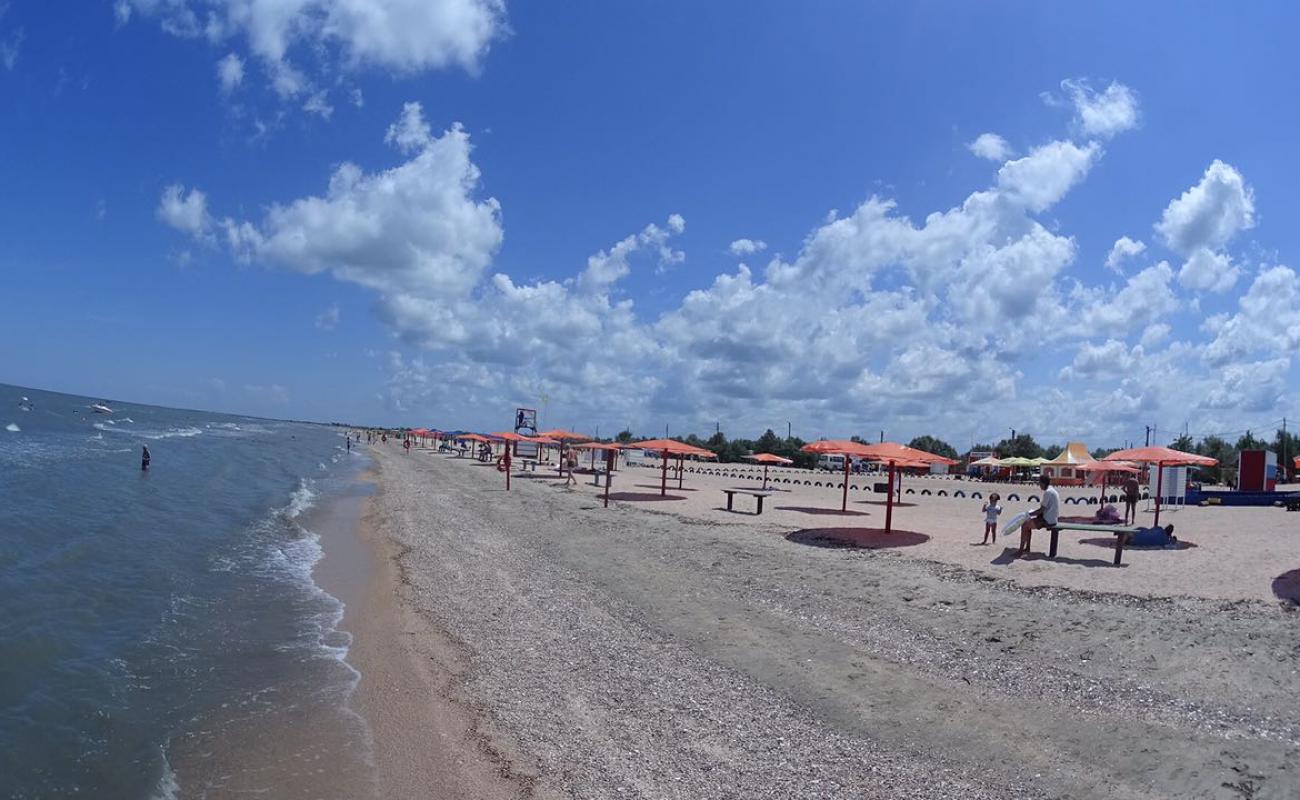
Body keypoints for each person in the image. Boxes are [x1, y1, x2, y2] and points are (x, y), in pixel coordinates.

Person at [1019, 474, 1059, 554]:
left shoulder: (1048, 492)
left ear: (1043, 483)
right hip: (1052, 518)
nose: (1039, 485)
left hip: (1048, 520)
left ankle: (1021, 550)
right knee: (1028, 523)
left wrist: (1030, 514)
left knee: (1024, 525)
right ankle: (1027, 548)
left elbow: (1041, 510)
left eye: (1039, 483)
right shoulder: (1052, 490)